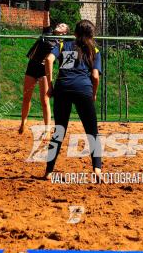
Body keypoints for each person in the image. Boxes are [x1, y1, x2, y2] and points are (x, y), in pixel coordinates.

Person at [43, 19, 102, 178]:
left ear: (75, 33)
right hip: (83, 89)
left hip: (63, 89)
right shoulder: (94, 50)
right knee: (92, 132)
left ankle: (49, 171)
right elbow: (95, 77)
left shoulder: (64, 45)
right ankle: (97, 169)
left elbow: (49, 60)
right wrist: (93, 93)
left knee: (59, 131)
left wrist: (50, 84)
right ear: (91, 34)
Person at [18, 0, 68, 134]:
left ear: (65, 32)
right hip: (33, 65)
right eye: (60, 24)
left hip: (45, 71)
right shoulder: (47, 32)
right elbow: (46, 14)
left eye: (63, 26)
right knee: (26, 97)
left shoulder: (62, 44)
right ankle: (23, 123)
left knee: (44, 100)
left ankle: (47, 129)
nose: (60, 25)